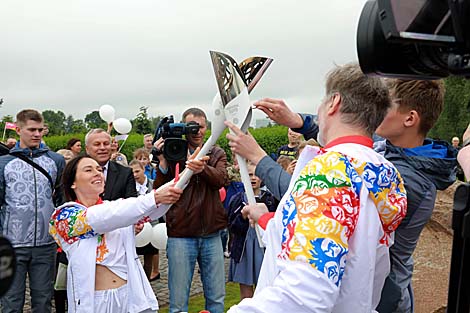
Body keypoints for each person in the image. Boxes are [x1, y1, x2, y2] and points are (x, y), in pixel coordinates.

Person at [225, 63, 407, 312]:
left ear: (333, 103)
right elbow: (335, 238)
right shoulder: (376, 171)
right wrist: (269, 219)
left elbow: (305, 293)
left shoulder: (332, 173)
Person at [49, 155, 183, 312]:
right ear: (72, 182)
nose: (97, 173)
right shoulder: (64, 217)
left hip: (128, 297)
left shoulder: (117, 209)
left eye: (99, 169)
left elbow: (153, 209)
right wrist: (154, 197)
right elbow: (102, 217)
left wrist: (187, 173)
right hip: (95, 302)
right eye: (88, 170)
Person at [374, 79, 457, 313]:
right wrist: (302, 123)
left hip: (384, 298)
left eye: (385, 105)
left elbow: (332, 198)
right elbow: (355, 137)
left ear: (410, 119)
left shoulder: (408, 181)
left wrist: (261, 159)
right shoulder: (394, 149)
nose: (376, 110)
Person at [154, 107, 228, 313]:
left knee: (216, 299)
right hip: (181, 233)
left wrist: (201, 168)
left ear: (207, 128)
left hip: (212, 232)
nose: (196, 131)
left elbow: (221, 180)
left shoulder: (215, 152)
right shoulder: (173, 151)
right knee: (178, 303)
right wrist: (162, 162)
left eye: (201, 126)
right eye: (191, 126)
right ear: (183, 127)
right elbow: (158, 191)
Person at [0, 109, 65, 313]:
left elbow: (62, 199)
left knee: (43, 301)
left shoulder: (55, 161)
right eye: (31, 130)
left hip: (45, 244)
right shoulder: (3, 163)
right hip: (11, 244)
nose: (37, 134)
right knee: (11, 302)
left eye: (40, 130)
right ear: (19, 129)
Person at [227, 162, 278, 300]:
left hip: (265, 249)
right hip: (244, 249)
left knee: (265, 291)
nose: (253, 178)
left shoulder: (270, 199)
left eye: (256, 175)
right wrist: (243, 217)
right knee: (246, 294)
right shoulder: (237, 199)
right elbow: (232, 226)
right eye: (249, 175)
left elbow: (276, 224)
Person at [130, 160, 161, 282]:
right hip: (136, 227)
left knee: (149, 258)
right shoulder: (130, 187)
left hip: (152, 226)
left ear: (144, 169)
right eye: (132, 172)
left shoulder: (154, 185)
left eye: (137, 171)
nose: (135, 175)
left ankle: (147, 284)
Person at [85, 128, 137, 200]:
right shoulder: (76, 173)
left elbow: (131, 205)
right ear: (87, 149)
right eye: (97, 144)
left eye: (106, 144)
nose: (102, 148)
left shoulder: (125, 173)